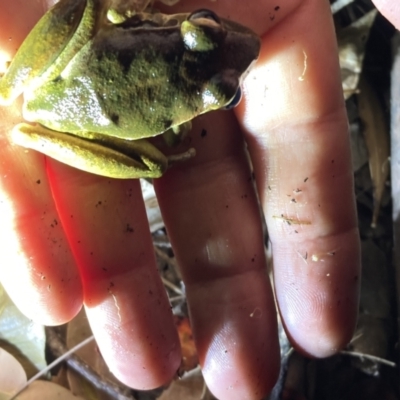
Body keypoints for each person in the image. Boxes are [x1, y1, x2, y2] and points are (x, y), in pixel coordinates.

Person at [1, 0, 396, 398]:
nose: (240, 40)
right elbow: (172, 135)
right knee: (156, 165)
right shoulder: (187, 94)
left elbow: (117, 14)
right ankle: (34, 128)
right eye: (205, 28)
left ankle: (23, 108)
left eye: (223, 94)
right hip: (71, 104)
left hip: (61, 73)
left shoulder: (163, 30)